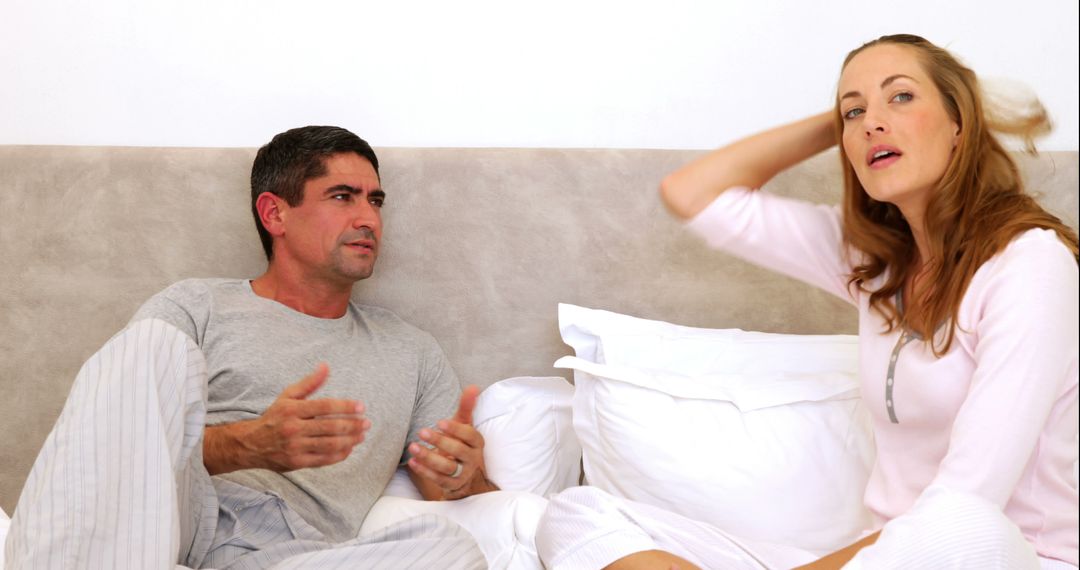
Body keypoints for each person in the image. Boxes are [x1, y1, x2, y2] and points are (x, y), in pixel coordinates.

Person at [536, 34, 1079, 570]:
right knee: (576, 512)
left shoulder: (1032, 264)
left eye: (903, 96)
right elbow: (691, 193)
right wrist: (842, 122)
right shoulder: (876, 264)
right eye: (854, 111)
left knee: (962, 522)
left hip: (1004, 554)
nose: (872, 121)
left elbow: (970, 494)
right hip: (876, 557)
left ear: (959, 122)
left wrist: (863, 112)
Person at [5, 126, 497, 569]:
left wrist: (465, 477)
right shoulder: (194, 306)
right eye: (343, 197)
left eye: (376, 200)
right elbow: (119, 437)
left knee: (452, 548)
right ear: (274, 213)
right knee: (152, 344)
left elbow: (447, 486)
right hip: (175, 522)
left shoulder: (413, 352)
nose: (368, 217)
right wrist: (246, 444)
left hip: (298, 554)